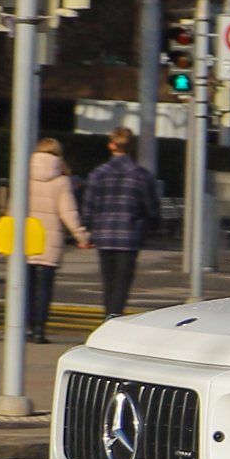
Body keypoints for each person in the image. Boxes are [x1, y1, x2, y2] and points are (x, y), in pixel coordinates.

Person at [83, 126, 160, 317]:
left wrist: (87, 228)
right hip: (129, 233)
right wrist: (154, 226)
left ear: (111, 146)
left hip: (104, 233)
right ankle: (114, 315)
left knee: (108, 280)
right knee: (122, 280)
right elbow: (151, 207)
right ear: (131, 147)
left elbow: (89, 205)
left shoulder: (98, 174)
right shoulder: (142, 175)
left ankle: (109, 313)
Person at [25, 137, 89, 344]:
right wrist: (82, 236)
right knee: (44, 288)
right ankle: (39, 331)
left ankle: (25, 327)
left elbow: (13, 209)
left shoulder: (24, 176)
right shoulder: (61, 180)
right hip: (50, 241)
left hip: (26, 240)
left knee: (26, 286)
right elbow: (68, 213)